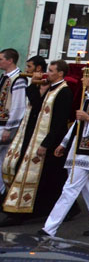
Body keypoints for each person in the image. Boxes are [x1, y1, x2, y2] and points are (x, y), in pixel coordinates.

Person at [42, 66, 89, 237]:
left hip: (88, 152)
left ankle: (49, 228)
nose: (82, 79)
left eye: (87, 76)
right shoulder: (86, 98)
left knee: (70, 189)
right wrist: (64, 143)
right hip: (80, 149)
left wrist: (88, 118)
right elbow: (77, 125)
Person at [2, 59, 71, 224]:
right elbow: (36, 105)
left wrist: (46, 144)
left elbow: (59, 121)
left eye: (52, 71)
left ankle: (25, 211)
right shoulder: (50, 88)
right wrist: (34, 86)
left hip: (50, 141)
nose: (48, 73)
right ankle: (33, 209)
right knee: (49, 178)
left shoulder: (64, 92)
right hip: (36, 138)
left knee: (48, 178)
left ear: (60, 73)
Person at [0, 49, 27, 199]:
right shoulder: (5, 77)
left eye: (1, 59)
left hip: (5, 125)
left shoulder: (18, 79)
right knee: (2, 161)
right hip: (1, 123)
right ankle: (3, 192)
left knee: (5, 160)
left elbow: (18, 106)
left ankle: (5, 192)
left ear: (10, 61)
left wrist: (9, 128)